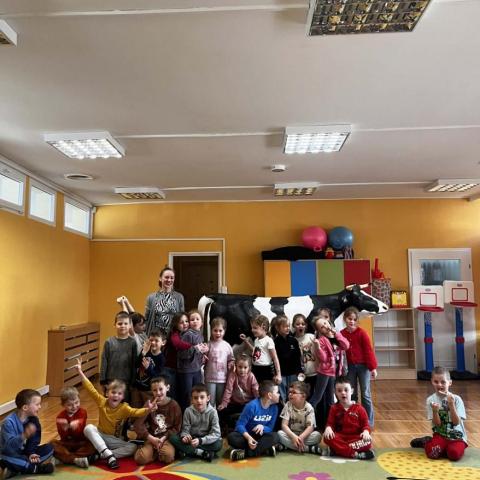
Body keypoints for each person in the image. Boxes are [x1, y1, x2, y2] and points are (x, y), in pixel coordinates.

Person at [75, 359, 155, 469]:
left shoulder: (124, 408)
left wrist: (147, 410)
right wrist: (80, 371)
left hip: (115, 440)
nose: (116, 395)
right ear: (107, 393)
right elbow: (91, 389)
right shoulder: (101, 402)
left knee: (132, 447)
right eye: (113, 392)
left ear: (122, 397)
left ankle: (102, 455)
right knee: (88, 428)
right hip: (101, 435)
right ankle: (108, 454)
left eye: (119, 393)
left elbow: (136, 412)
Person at [309, 309, 349, 431]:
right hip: (324, 372)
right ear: (319, 331)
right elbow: (324, 358)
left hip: (334, 373)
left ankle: (330, 424)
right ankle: (308, 420)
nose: (325, 326)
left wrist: (337, 334)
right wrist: (317, 347)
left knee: (330, 399)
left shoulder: (336, 335)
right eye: (322, 327)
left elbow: (346, 345)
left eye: (325, 323)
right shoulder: (322, 340)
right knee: (317, 397)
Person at [0, 389, 54, 476]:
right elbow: (8, 448)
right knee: (6, 459)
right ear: (25, 407)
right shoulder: (8, 423)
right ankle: (36, 468)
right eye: (37, 404)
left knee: (49, 448)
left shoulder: (33, 419)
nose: (40, 407)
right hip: (10, 454)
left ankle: (16, 469)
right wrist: (24, 435)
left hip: (24, 453)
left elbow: (34, 441)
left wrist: (31, 453)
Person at [340, 306, 377, 426]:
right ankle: (354, 419)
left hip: (363, 367)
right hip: (350, 367)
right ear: (345, 319)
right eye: (349, 319)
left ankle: (368, 422)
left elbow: (368, 351)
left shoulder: (362, 333)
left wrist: (372, 368)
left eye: (354, 319)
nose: (352, 321)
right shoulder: (341, 334)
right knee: (352, 393)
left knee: (365, 394)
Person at [134, 376, 182, 466]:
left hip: (166, 439)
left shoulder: (174, 405)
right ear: (151, 391)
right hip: (152, 438)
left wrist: (164, 438)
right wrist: (148, 410)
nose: (158, 393)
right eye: (155, 390)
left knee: (168, 456)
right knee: (140, 458)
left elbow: (177, 427)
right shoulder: (149, 403)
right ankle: (155, 451)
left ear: (167, 388)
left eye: (161, 389)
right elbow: (138, 424)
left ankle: (158, 452)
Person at [323, 376, 374, 460]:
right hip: (340, 437)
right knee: (326, 437)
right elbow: (330, 423)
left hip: (355, 437)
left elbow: (366, 425)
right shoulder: (334, 408)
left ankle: (337, 450)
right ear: (335, 393)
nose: (343, 393)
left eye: (346, 390)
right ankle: (354, 454)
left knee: (368, 441)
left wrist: (366, 432)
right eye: (339, 391)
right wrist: (328, 428)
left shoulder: (360, 409)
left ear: (352, 391)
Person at [227, 380, 280, 461]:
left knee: (275, 436)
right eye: (277, 392)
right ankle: (263, 450)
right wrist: (248, 438)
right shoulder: (252, 406)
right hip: (247, 436)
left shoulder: (274, 408)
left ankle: (245, 453)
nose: (279, 394)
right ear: (269, 395)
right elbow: (239, 425)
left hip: (260, 437)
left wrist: (263, 427)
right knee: (232, 437)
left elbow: (270, 428)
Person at [424, 366, 467, 461]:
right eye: (436, 382)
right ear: (431, 382)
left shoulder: (457, 399)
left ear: (449, 383)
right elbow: (437, 424)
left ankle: (445, 448)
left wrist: (451, 405)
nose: (439, 385)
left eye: (443, 382)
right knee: (432, 453)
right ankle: (427, 443)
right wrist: (435, 411)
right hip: (440, 435)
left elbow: (456, 423)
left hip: (457, 437)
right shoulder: (430, 400)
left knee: (454, 454)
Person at [170, 384, 222, 462]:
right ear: (191, 400)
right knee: (173, 438)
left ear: (208, 398)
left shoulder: (213, 412)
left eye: (202, 397)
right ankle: (202, 453)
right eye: (195, 398)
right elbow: (185, 429)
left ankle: (188, 451)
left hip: (205, 440)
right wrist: (185, 436)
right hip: (192, 439)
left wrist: (201, 440)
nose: (199, 400)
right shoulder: (188, 411)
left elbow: (216, 433)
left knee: (218, 444)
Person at [51, 386, 96, 468]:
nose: (74, 406)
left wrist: (76, 424)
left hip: (81, 443)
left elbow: (80, 428)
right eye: (69, 405)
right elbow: (63, 436)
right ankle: (75, 459)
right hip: (67, 444)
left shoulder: (82, 412)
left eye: (76, 402)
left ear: (79, 400)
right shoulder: (60, 416)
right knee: (52, 444)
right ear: (63, 405)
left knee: (93, 444)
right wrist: (63, 428)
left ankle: (65, 459)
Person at [100, 311, 137, 401]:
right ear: (115, 325)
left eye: (125, 323)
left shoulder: (132, 343)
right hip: (111, 381)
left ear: (130, 326)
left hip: (126, 382)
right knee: (110, 405)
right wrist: (102, 380)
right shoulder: (109, 342)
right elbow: (104, 361)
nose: (123, 326)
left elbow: (134, 363)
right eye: (120, 323)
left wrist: (133, 381)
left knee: (124, 406)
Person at [177, 310, 209, 411]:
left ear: (202, 323)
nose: (195, 321)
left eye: (197, 319)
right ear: (189, 323)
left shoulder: (200, 335)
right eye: (192, 319)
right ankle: (186, 416)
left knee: (197, 394)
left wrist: (203, 354)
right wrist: (195, 349)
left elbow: (197, 352)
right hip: (186, 371)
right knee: (187, 396)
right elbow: (182, 354)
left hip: (197, 369)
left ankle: (195, 415)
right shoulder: (187, 335)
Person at [277, 381, 321, 454]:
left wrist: (301, 438)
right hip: (291, 435)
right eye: (289, 392)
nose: (290, 394)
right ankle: (307, 448)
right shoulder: (288, 405)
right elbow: (284, 425)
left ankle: (288, 446)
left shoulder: (309, 408)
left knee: (317, 436)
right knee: (279, 434)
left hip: (304, 436)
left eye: (293, 392)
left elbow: (310, 427)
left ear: (303, 396)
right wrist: (293, 437)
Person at [217, 354, 259, 431]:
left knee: (252, 412)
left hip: (247, 404)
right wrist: (224, 403)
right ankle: (227, 428)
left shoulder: (251, 376)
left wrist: (258, 404)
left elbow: (256, 390)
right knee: (221, 410)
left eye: (245, 367)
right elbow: (228, 390)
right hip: (235, 403)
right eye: (240, 367)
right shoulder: (233, 375)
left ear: (249, 368)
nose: (242, 370)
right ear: (235, 366)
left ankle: (243, 426)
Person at [240, 315, 281, 384]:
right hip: (255, 368)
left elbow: (275, 358)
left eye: (255, 328)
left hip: (266, 370)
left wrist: (278, 374)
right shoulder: (256, 340)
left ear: (263, 327)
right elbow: (255, 351)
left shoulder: (268, 340)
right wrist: (246, 341)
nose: (252, 330)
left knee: (265, 388)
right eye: (252, 328)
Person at [145, 267, 185, 336]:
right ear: (160, 278)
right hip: (156, 337)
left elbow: (182, 318)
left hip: (174, 336)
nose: (169, 280)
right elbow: (146, 318)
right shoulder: (151, 298)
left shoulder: (179, 297)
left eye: (172, 278)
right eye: (166, 277)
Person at [204, 317, 235, 407]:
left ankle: (220, 416)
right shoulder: (208, 345)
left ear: (224, 331)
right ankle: (210, 415)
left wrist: (231, 364)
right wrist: (203, 356)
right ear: (211, 330)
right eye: (215, 330)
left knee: (220, 402)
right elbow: (203, 360)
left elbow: (231, 359)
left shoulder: (227, 346)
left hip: (223, 378)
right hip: (210, 378)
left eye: (220, 331)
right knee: (210, 402)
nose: (218, 333)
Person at [132, 329, 167, 407]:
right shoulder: (145, 351)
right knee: (135, 407)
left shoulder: (161, 359)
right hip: (137, 387)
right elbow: (136, 365)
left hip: (149, 390)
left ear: (163, 342)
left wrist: (148, 368)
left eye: (156, 340)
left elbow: (157, 377)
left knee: (147, 409)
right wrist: (143, 353)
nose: (153, 342)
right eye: (151, 340)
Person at [273, 315, 302, 403]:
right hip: (281, 374)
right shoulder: (274, 342)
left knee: (293, 394)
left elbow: (298, 357)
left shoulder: (294, 341)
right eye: (285, 326)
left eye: (288, 326)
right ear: (277, 328)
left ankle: (293, 410)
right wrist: (275, 374)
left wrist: (299, 371)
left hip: (293, 373)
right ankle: (284, 410)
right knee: (282, 396)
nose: (288, 328)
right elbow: (273, 359)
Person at [292, 313, 317, 399]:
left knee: (316, 395)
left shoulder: (311, 337)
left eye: (303, 324)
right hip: (303, 374)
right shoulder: (293, 340)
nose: (300, 326)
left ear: (306, 325)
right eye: (298, 324)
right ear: (293, 326)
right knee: (306, 395)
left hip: (315, 371)